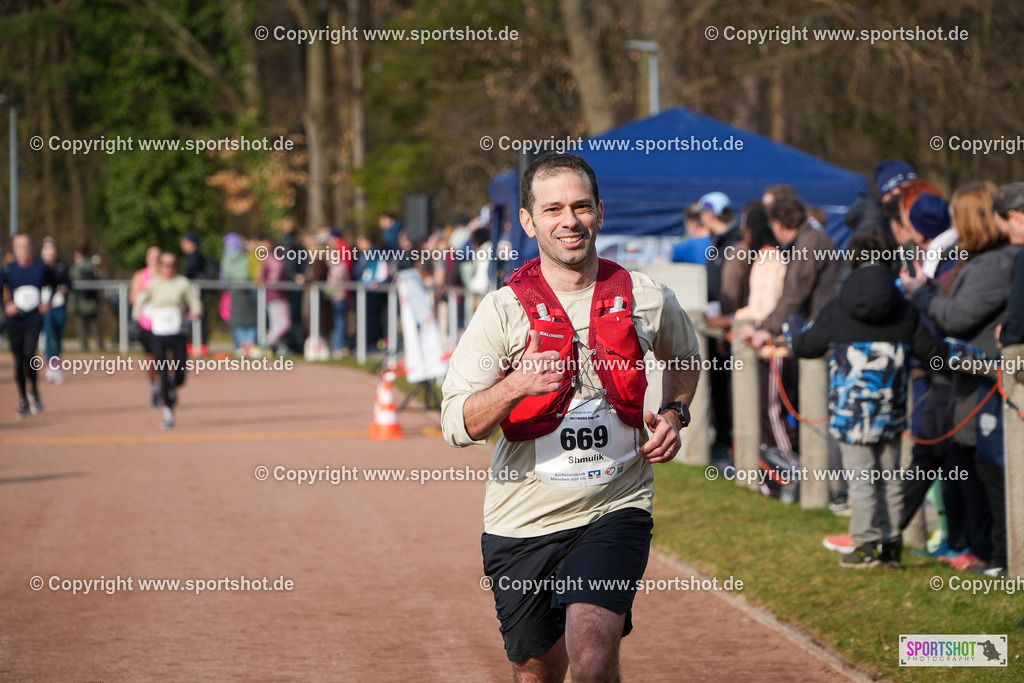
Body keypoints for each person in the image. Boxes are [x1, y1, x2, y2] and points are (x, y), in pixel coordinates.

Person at [441, 153, 700, 681]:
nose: (570, 221)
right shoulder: (503, 310)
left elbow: (685, 356)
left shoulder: (645, 296)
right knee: (537, 670)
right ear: (528, 221)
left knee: (593, 650)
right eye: (553, 209)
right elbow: (456, 424)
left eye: (581, 206)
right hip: (522, 519)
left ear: (600, 212)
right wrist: (515, 385)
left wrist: (675, 411)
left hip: (616, 505)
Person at [791, 229, 951, 568]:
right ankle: (891, 546)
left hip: (851, 411)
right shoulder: (903, 308)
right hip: (890, 409)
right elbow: (931, 352)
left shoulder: (839, 305)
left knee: (861, 477)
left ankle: (864, 546)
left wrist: (792, 333)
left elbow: (807, 346)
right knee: (890, 476)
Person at [901, 181, 1019, 574]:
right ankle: (975, 547)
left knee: (988, 467)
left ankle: (995, 556)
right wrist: (929, 287)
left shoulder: (995, 264)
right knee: (968, 463)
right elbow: (957, 303)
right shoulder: (979, 260)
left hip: (987, 380)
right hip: (970, 379)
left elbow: (956, 316)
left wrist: (920, 294)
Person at [131, 251, 201, 429]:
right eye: (165, 264)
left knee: (180, 375)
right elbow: (141, 301)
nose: (168, 268)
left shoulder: (182, 283)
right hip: (158, 334)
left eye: (172, 264)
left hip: (178, 333)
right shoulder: (154, 285)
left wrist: (195, 312)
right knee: (162, 371)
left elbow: (194, 301)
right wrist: (136, 317)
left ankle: (172, 384)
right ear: (160, 266)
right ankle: (168, 413)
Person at [2, 234, 55, 418]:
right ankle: (23, 399)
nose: (24, 248)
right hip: (15, 321)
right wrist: (6, 305)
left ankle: (34, 391)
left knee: (29, 354)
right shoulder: (9, 269)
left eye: (27, 245)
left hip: (34, 319)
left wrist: (47, 302)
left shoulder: (41, 267)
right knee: (18, 360)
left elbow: (54, 283)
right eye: (20, 245)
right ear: (15, 249)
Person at [130, 245, 162, 407]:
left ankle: (166, 386)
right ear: (147, 258)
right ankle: (154, 388)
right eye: (152, 256)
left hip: (164, 324)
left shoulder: (166, 275)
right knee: (151, 359)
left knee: (167, 358)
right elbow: (133, 298)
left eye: (158, 257)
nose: (155, 260)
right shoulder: (140, 276)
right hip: (147, 323)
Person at [40, 237, 71, 384]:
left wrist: (65, 288)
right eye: (47, 249)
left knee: (57, 335)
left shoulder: (61, 268)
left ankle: (56, 363)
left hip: (59, 306)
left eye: (52, 249)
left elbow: (69, 284)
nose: (49, 252)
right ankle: (50, 366)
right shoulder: (39, 268)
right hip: (45, 307)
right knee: (47, 334)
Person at [221, 233, 257, 354]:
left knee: (237, 321)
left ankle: (239, 347)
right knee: (250, 321)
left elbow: (223, 279)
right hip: (248, 293)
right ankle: (250, 347)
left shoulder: (225, 259)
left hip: (235, 294)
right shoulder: (246, 257)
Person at [69, 245, 104, 352]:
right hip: (92, 300)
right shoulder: (93, 265)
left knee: (81, 324)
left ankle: (84, 345)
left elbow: (71, 279)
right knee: (95, 324)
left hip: (80, 300)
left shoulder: (76, 267)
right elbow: (101, 278)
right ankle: (100, 345)